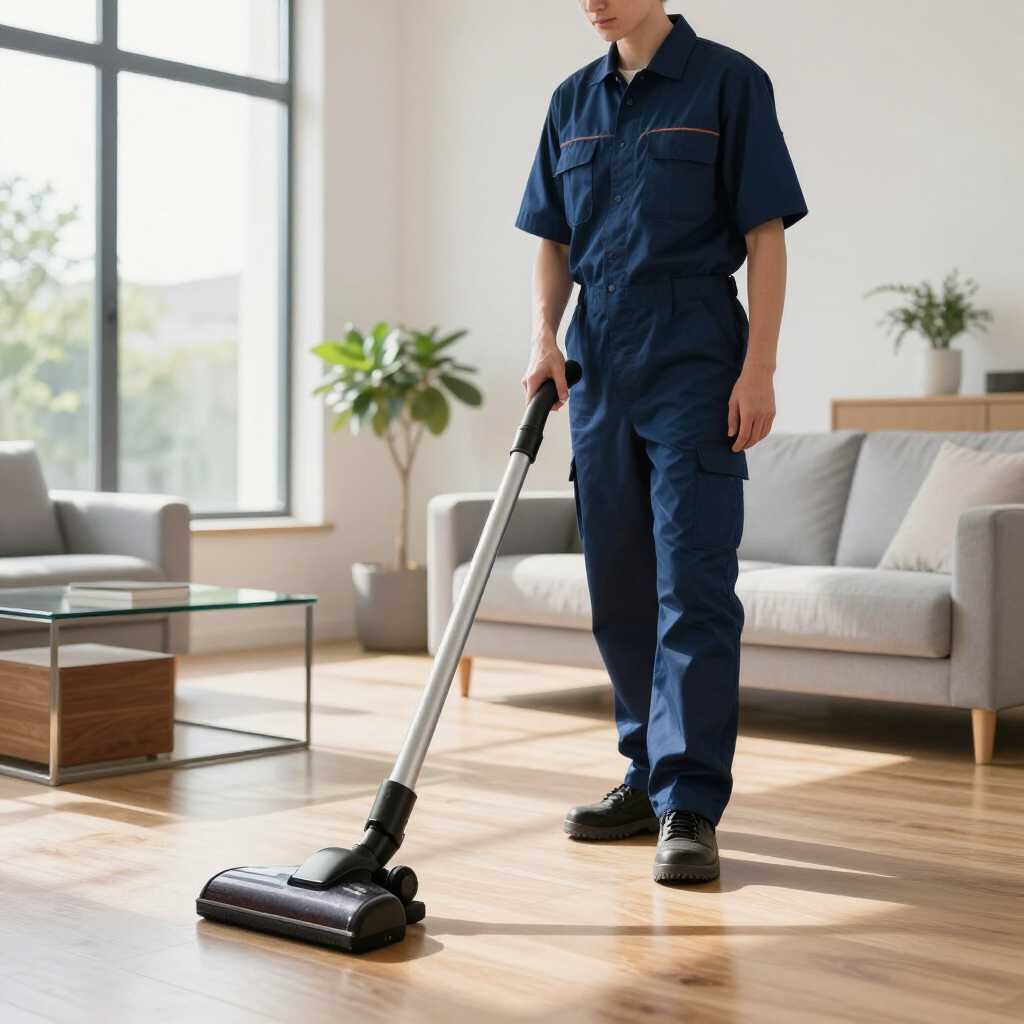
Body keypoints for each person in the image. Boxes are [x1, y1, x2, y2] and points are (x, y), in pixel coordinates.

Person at [516, 0, 807, 884]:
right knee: (619, 582)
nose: (592, 0)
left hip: (694, 353)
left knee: (694, 581)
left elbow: (765, 238)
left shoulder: (729, 82)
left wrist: (758, 367)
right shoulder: (573, 101)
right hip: (599, 356)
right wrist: (543, 336)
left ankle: (690, 801)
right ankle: (643, 776)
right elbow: (552, 240)